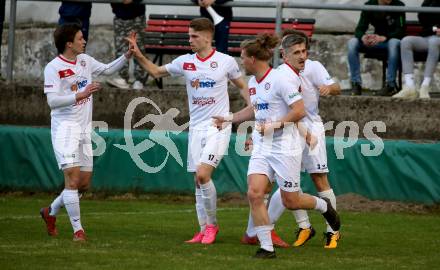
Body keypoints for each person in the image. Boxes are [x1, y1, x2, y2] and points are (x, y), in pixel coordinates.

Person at [213, 33, 341, 258]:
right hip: (263, 146)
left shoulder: (281, 79)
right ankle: (266, 247)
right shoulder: (254, 82)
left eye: (243, 57)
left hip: (285, 147)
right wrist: (229, 118)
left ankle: (323, 206)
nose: (241, 61)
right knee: (255, 193)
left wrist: (277, 125)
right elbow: (255, 109)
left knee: (290, 201)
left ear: (252, 59)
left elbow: (299, 110)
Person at [126, 18, 248, 245]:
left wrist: (252, 114)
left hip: (218, 127)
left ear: (208, 36)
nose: (189, 39)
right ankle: (202, 229)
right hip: (196, 128)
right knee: (197, 181)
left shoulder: (225, 62)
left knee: (203, 175)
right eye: (189, 35)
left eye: (194, 36)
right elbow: (155, 71)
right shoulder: (185, 62)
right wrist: (139, 54)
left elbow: (243, 87)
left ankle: (212, 225)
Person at [40, 23, 132, 241]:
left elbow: (108, 69)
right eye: (80, 38)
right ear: (68, 43)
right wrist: (79, 95)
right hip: (65, 130)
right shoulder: (53, 68)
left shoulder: (85, 60)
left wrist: (127, 55)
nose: (84, 41)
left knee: (83, 183)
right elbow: (52, 102)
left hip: (84, 130)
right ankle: (78, 231)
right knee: (71, 181)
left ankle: (50, 211)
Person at [347, 0, 405, 96]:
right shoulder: (370, 5)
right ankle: (356, 83)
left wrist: (383, 37)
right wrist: (364, 37)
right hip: (376, 41)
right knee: (352, 42)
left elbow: (401, 31)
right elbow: (359, 29)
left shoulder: (399, 5)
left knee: (394, 43)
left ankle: (390, 84)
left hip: (388, 41)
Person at [393, 0, 440, 99]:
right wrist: (435, 27)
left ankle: (425, 86)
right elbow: (422, 18)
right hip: (428, 35)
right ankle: (410, 87)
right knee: (406, 41)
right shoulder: (428, 2)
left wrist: (434, 26)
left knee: (434, 42)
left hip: (436, 40)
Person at [107, 0, 147, 90]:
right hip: (119, 16)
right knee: (120, 49)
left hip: (137, 16)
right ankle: (122, 77)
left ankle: (139, 80)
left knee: (138, 48)